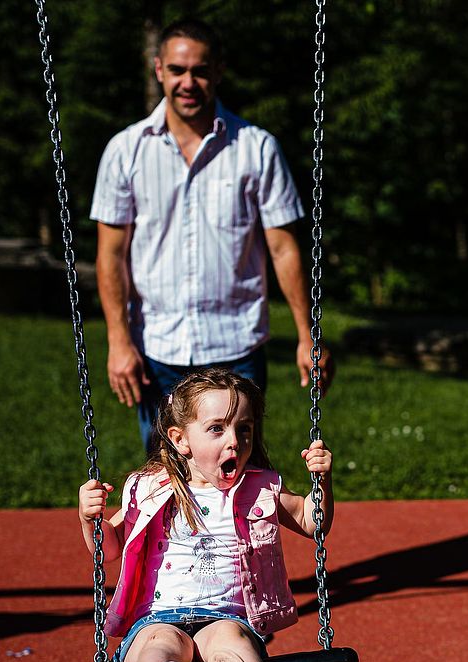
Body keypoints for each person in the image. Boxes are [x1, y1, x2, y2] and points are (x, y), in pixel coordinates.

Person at [90, 17, 333, 451]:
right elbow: (111, 256)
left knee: (239, 476)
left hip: (235, 343)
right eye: (178, 70)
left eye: (200, 71)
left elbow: (282, 248)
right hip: (158, 346)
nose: (189, 82)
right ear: (159, 69)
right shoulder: (126, 150)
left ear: (218, 71)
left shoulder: (256, 147)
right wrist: (117, 341)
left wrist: (306, 335)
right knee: (167, 479)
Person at [76, 367, 334, 662]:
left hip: (226, 615)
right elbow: (108, 548)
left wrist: (323, 480)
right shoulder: (150, 489)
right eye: (217, 429)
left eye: (243, 429)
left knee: (232, 640)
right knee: (159, 645)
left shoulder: (259, 487)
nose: (234, 441)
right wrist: (89, 517)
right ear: (182, 440)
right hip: (157, 616)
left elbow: (312, 521)